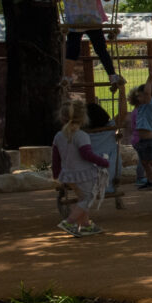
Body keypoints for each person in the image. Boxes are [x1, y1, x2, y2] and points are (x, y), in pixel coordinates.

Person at [54, 0, 123, 85]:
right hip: (92, 21)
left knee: (72, 50)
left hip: (73, 22)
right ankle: (112, 76)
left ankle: (67, 77)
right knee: (101, 50)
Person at [50, 98, 112, 236]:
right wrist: (103, 161)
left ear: (62, 118)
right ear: (83, 118)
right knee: (88, 198)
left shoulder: (58, 136)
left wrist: (56, 174)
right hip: (83, 174)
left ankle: (85, 225)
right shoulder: (81, 135)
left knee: (82, 198)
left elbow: (55, 157)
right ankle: (69, 222)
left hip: (68, 174)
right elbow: (86, 154)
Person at [127, 84, 152, 189]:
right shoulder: (141, 107)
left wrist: (150, 80)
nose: (138, 98)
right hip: (142, 141)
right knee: (145, 163)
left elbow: (147, 93)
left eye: (140, 96)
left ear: (148, 96)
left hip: (151, 141)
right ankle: (151, 181)